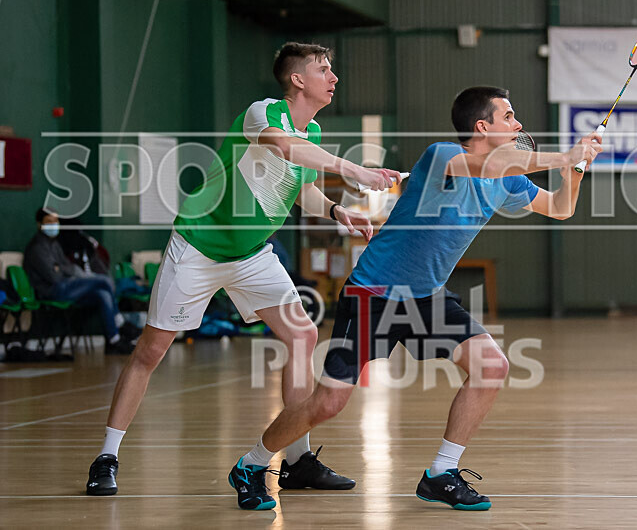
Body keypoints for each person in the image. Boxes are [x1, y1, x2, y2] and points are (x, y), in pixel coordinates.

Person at [239, 86, 602, 511]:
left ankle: (441, 474)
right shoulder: (441, 156)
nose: (518, 124)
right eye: (509, 116)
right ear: (482, 126)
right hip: (373, 294)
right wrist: (561, 155)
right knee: (328, 402)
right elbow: (482, 168)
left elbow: (560, 208)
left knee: (491, 366)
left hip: (426, 298)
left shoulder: (509, 180)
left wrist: (574, 170)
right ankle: (253, 463)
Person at [84, 42, 404, 504]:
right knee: (150, 351)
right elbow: (282, 147)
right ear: (298, 79)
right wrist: (353, 169)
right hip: (198, 246)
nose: (334, 77)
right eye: (324, 69)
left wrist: (337, 211)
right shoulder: (263, 113)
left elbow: (302, 191)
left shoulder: (312, 130)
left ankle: (296, 459)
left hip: (253, 254)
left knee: (302, 336)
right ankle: (107, 456)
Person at [23, 209, 138, 355]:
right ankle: (120, 322)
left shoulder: (54, 244)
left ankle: (113, 340)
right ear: (39, 224)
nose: (54, 225)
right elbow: (54, 277)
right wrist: (63, 270)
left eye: (56, 221)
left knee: (102, 294)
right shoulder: (37, 247)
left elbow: (67, 267)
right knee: (103, 280)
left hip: (66, 285)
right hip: (52, 292)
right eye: (49, 222)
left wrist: (61, 268)